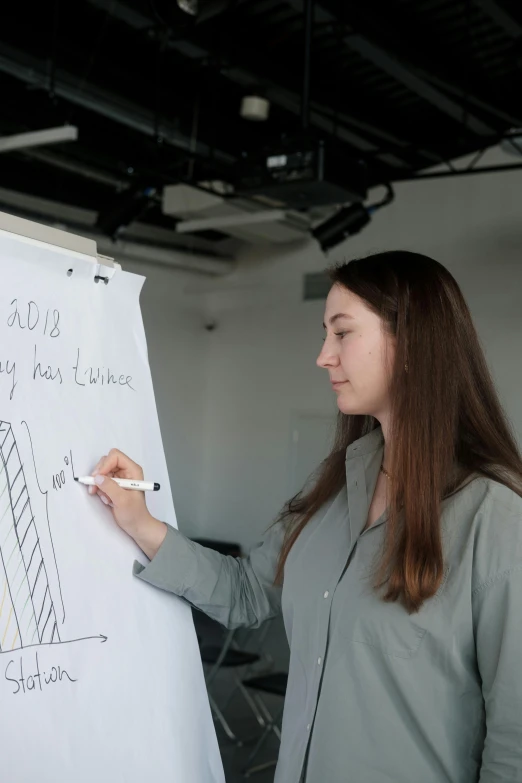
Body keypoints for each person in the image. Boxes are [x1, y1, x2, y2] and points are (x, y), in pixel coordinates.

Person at [87, 251, 522, 783]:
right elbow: (247, 592)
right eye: (325, 333)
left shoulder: (496, 518)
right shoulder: (337, 485)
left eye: (342, 333)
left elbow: (514, 741)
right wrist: (138, 520)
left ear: (413, 344)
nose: (323, 356)